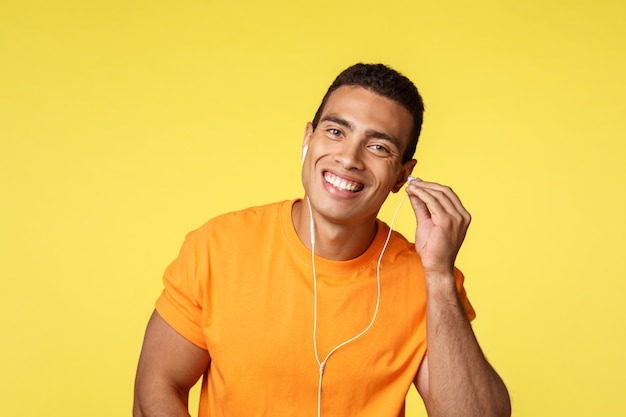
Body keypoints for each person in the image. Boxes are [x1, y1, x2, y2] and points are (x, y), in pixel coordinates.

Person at [133, 63, 511, 417]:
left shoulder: (426, 280)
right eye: (335, 131)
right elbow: (158, 385)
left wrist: (440, 275)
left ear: (402, 176)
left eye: (378, 147)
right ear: (308, 139)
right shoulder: (217, 247)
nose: (349, 158)